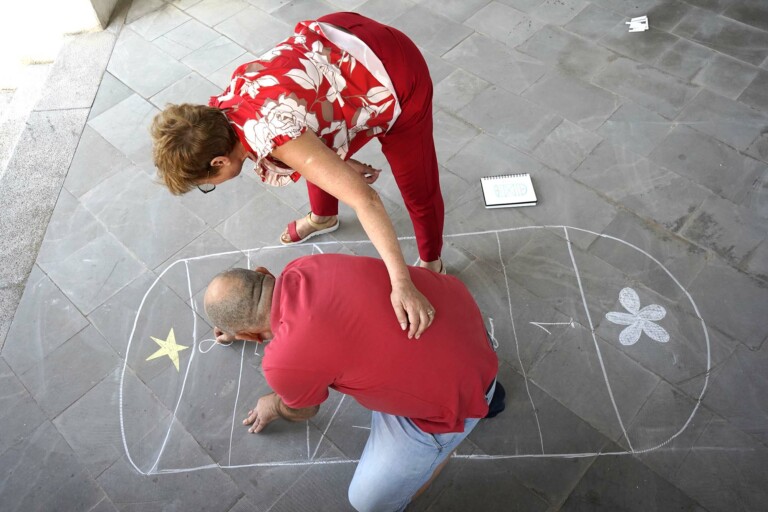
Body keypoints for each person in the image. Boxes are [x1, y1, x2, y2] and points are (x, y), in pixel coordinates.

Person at [151, 12, 445, 339]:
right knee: (317, 163)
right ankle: (324, 217)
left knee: (418, 187)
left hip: (394, 72)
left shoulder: (274, 134)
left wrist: (401, 283)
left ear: (219, 162)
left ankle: (433, 262)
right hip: (337, 45)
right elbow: (303, 128)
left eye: (207, 184)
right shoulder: (221, 115)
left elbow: (366, 199)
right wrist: (340, 165)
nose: (211, 186)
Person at [203, 254, 505, 512]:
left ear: (249, 336)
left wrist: (276, 405)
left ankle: (461, 426)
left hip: (456, 398)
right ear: (263, 272)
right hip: (458, 317)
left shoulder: (282, 362)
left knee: (367, 501)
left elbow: (306, 410)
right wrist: (241, 328)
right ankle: (489, 389)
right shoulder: (304, 265)